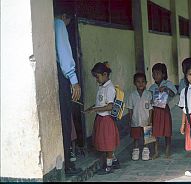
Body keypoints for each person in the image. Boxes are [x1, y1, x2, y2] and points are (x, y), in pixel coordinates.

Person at [54, 6, 82, 175]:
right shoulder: (58, 23)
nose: (67, 24)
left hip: (54, 74)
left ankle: (65, 163)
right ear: (64, 16)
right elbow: (64, 55)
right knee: (65, 120)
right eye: (68, 21)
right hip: (62, 76)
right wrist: (74, 80)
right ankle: (68, 166)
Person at [84, 62, 120, 175]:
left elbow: (110, 106)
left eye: (97, 77)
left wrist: (95, 110)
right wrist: (91, 108)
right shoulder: (102, 87)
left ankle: (108, 166)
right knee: (103, 141)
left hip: (106, 120)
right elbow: (100, 103)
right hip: (100, 118)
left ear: (105, 74)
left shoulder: (110, 88)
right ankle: (114, 161)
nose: (96, 80)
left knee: (108, 143)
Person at [149, 63, 177, 159]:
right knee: (155, 131)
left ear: (163, 74)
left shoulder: (168, 83)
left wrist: (166, 89)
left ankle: (168, 149)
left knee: (167, 130)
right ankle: (156, 151)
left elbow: (173, 94)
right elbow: (149, 98)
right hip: (155, 110)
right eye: (153, 73)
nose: (154, 75)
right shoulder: (152, 87)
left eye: (157, 73)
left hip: (165, 110)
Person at [126, 73, 153, 161]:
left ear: (146, 83)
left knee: (147, 136)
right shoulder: (132, 95)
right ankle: (136, 150)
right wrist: (130, 119)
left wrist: (150, 120)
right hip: (135, 119)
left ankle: (146, 150)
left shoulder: (148, 94)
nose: (140, 84)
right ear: (134, 83)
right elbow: (130, 109)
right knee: (136, 136)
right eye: (138, 82)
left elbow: (150, 109)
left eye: (143, 82)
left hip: (146, 119)